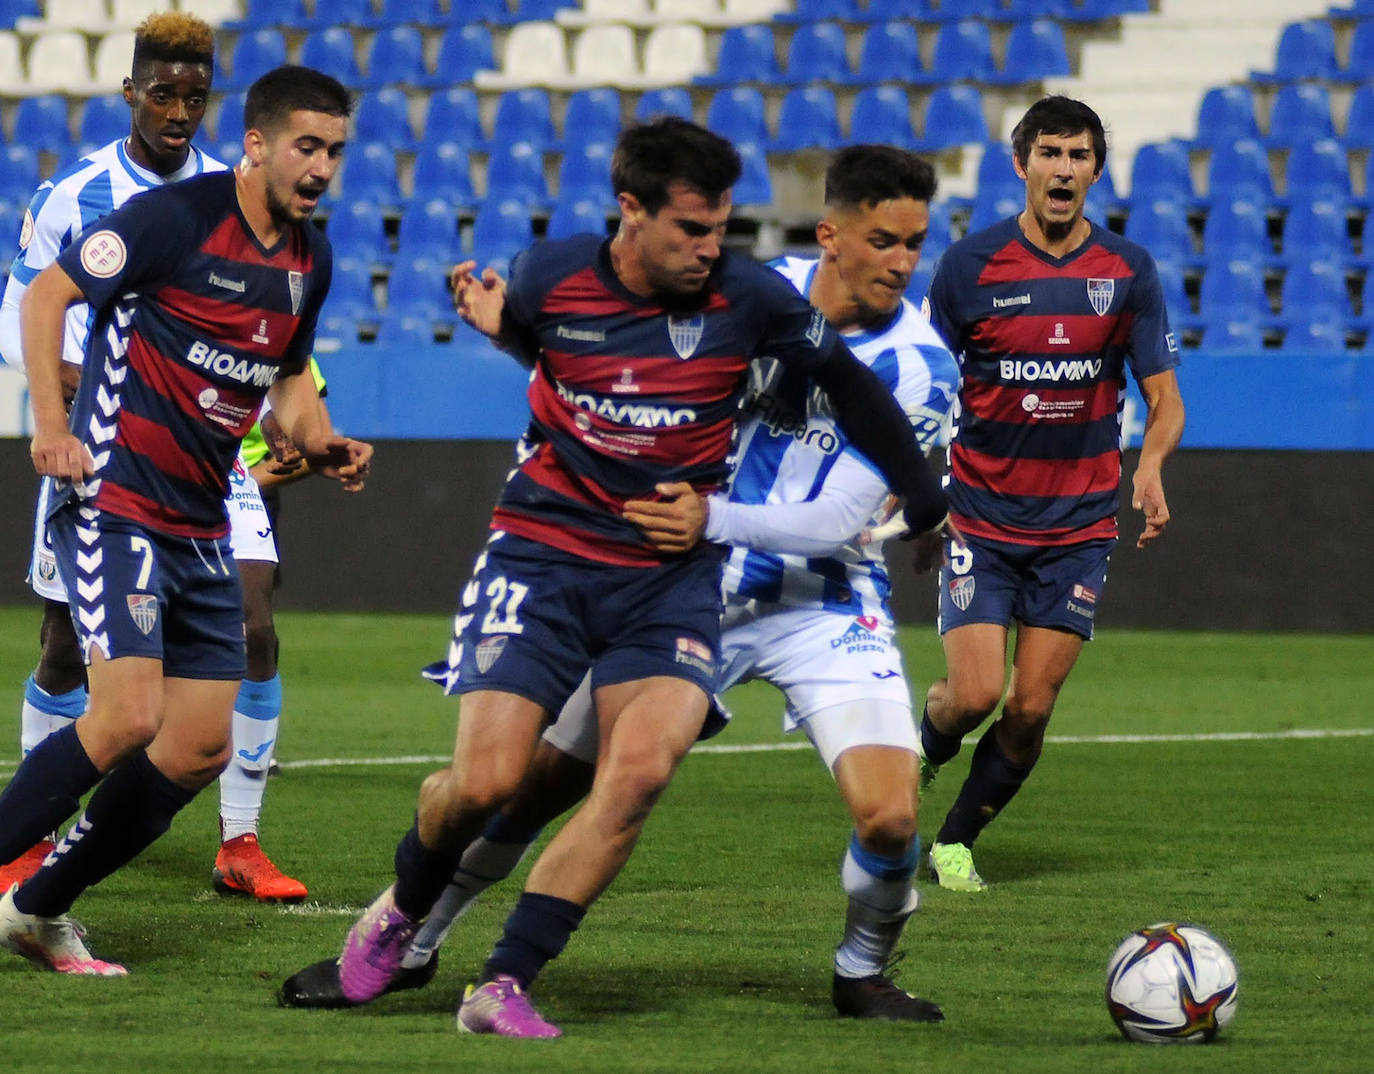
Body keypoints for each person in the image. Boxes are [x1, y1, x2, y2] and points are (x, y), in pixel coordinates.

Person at [279, 145, 960, 1022]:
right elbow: (586, 359)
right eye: (884, 240)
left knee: (889, 819)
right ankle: (412, 934)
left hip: (810, 594)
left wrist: (916, 509)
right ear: (831, 237)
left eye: (915, 243)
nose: (903, 263)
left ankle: (860, 968)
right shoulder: (751, 283)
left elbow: (842, 519)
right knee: (521, 785)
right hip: (667, 568)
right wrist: (508, 333)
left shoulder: (921, 366)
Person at [0, 64, 371, 976]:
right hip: (116, 498)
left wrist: (321, 444)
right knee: (125, 715)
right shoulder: (177, 217)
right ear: (257, 144)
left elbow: (287, 374)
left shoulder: (308, 261)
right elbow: (49, 295)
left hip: (203, 519)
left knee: (200, 743)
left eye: (335, 151)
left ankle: (37, 910)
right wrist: (50, 427)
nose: (320, 167)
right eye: (305, 146)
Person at [917, 96, 1185, 892]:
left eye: (1078, 156)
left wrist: (1152, 464)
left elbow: (1166, 395)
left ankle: (956, 841)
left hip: (1076, 524)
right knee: (971, 696)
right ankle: (922, 750)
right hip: (980, 514)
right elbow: (927, 384)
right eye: (1050, 153)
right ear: (1021, 164)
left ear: (1095, 171)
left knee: (1029, 707)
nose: (1063, 169)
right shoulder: (969, 267)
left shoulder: (1126, 271)